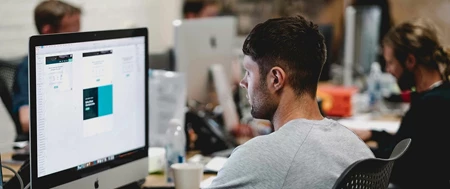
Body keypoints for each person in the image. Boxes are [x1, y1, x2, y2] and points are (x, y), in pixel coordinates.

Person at [203, 15, 374, 189]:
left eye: (249, 72)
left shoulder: (256, 157)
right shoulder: (357, 148)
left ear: (276, 79)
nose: (243, 82)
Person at [352, 18, 450, 188]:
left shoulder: (431, 105)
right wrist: (373, 134)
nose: (388, 70)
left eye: (390, 63)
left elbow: (395, 164)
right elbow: (410, 144)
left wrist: (350, 149)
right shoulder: (438, 96)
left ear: (410, 61)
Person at [12, 0, 82, 137]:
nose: (78, 38)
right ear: (48, 31)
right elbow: (26, 121)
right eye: (71, 33)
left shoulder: (73, 59)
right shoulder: (29, 68)